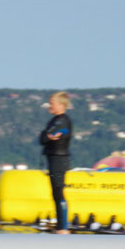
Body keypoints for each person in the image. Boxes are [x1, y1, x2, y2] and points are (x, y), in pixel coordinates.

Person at [39, 91, 73, 234]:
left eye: (52, 103)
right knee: (55, 193)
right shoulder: (55, 120)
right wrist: (47, 136)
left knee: (58, 192)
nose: (49, 106)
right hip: (54, 159)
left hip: (59, 160)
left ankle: (63, 228)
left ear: (61, 105)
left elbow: (47, 136)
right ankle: (61, 226)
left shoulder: (62, 121)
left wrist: (48, 135)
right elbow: (43, 138)